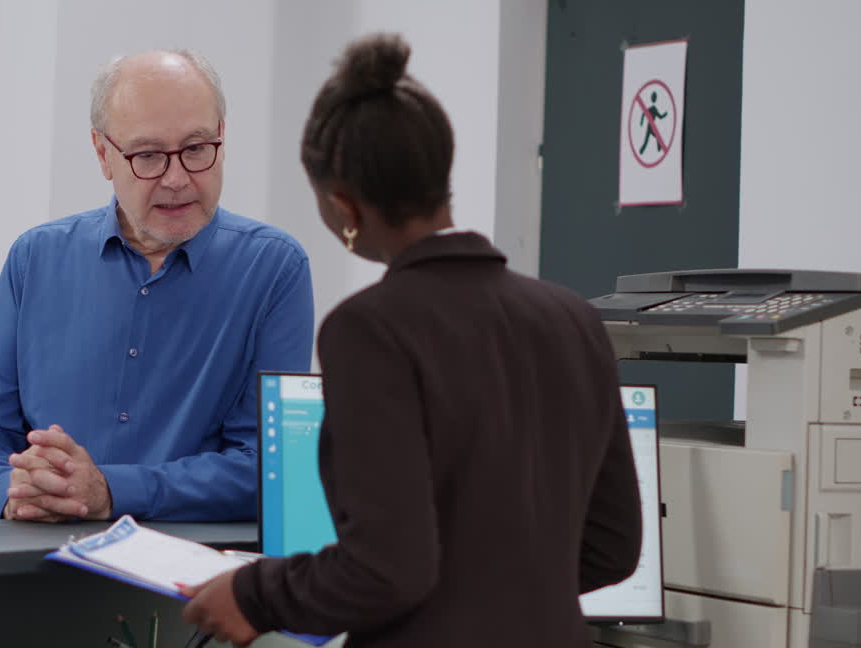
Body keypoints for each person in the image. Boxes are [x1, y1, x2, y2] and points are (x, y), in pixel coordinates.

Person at [180, 34, 642, 646]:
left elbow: (386, 568)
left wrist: (255, 594)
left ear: (343, 205)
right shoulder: (573, 319)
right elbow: (612, 549)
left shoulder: (370, 330)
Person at [0, 49, 314, 523]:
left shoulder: (274, 268)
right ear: (102, 153)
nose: (177, 179)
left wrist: (111, 491)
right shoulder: (36, 259)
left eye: (197, 148)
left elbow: (273, 469)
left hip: (193, 585)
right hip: (33, 571)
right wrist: (14, 492)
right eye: (149, 155)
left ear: (222, 137)